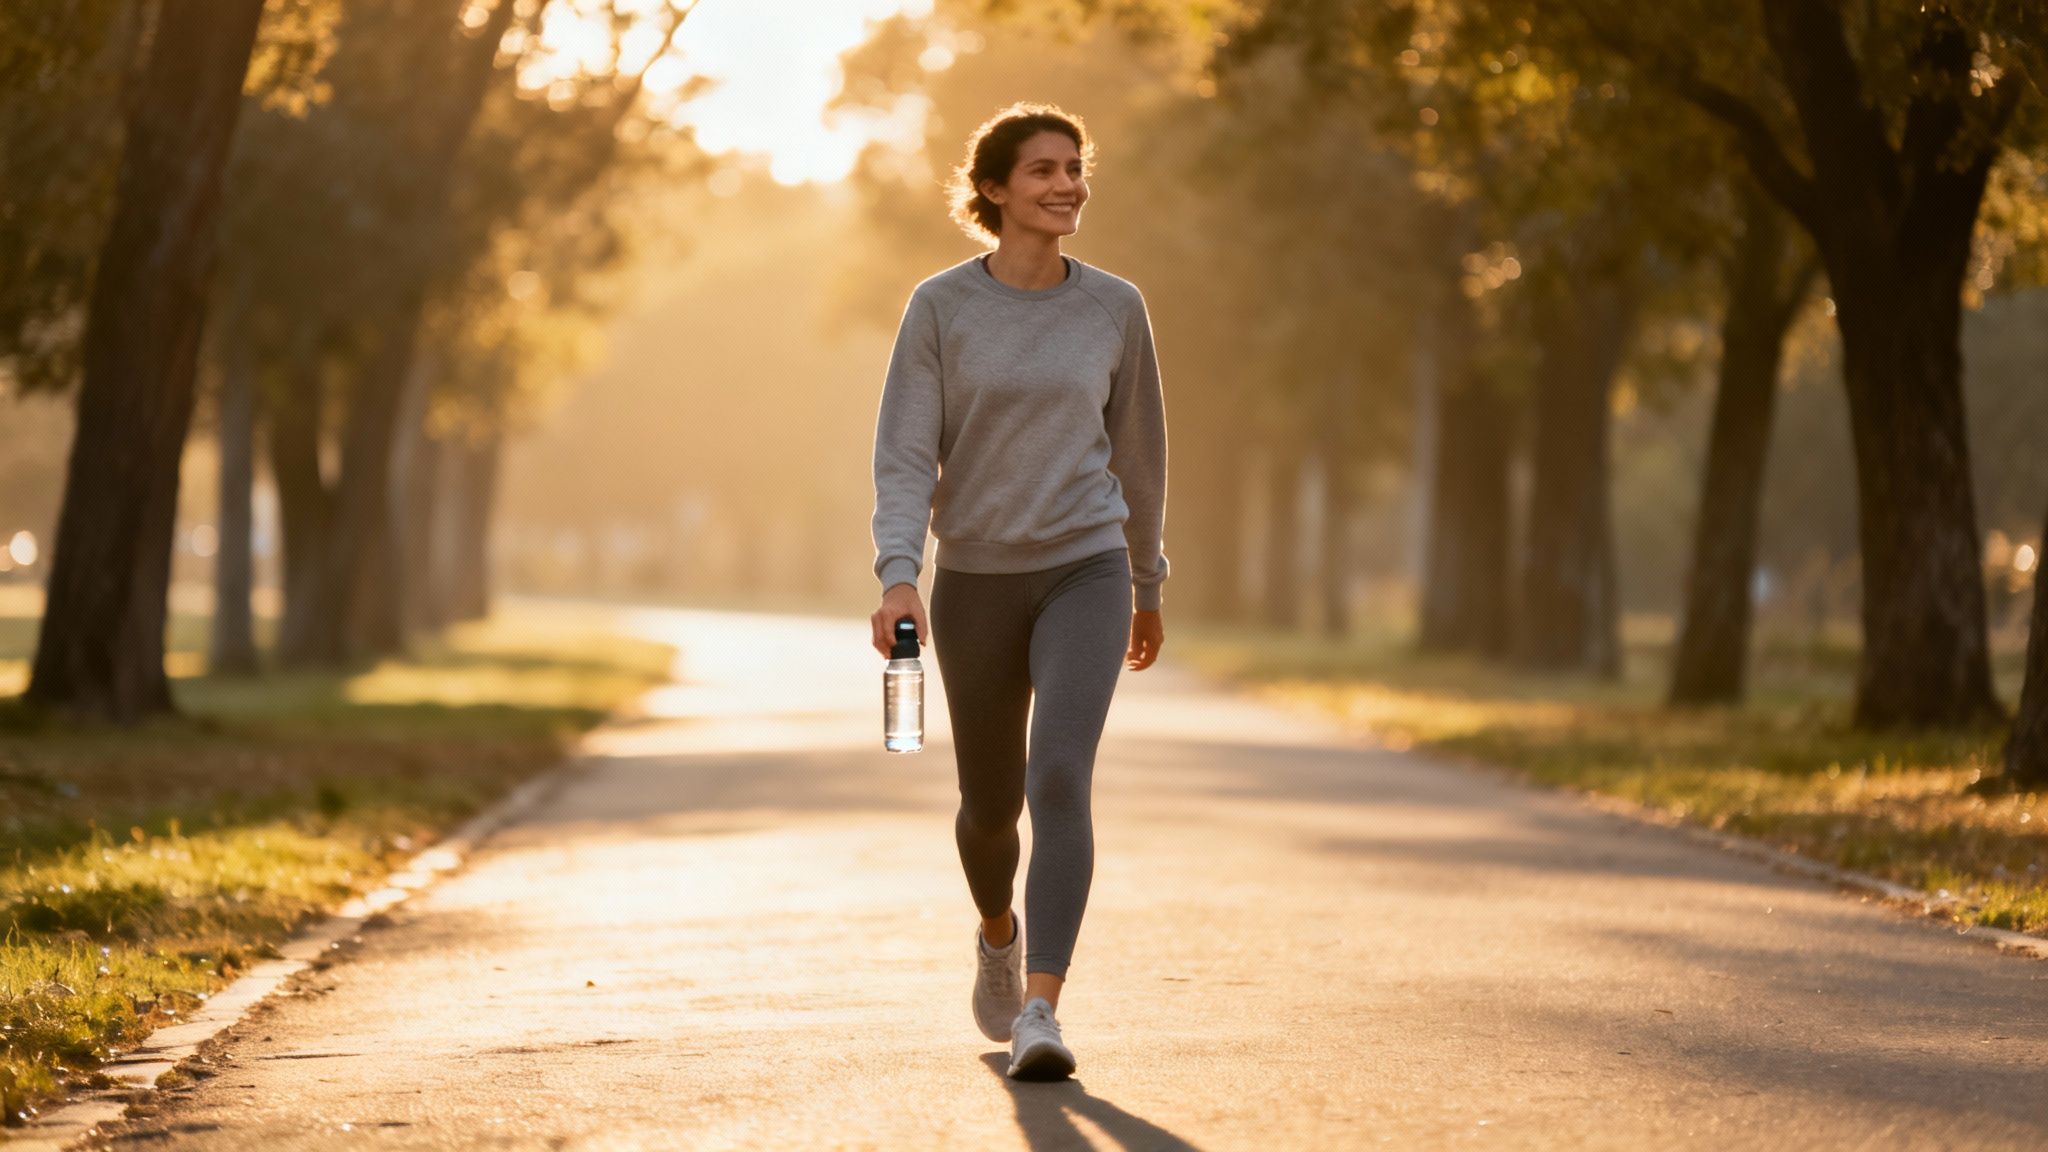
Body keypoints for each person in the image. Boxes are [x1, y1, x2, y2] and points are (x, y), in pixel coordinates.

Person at [867, 102, 1170, 1082]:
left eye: (1074, 168)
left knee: (1057, 778)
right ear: (993, 190)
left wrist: (1144, 578)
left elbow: (1139, 457)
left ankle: (1041, 1007)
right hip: (976, 579)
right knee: (988, 805)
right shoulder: (940, 307)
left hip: (1085, 566)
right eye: (1042, 170)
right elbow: (906, 455)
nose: (1066, 185)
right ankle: (996, 931)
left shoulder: (1115, 307)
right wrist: (898, 575)